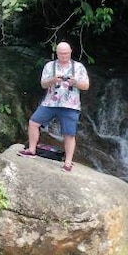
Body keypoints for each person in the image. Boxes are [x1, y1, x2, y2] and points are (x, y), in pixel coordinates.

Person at [18, 41, 90, 172]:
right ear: (57, 53)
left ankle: (68, 163)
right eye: (61, 53)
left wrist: (75, 82)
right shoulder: (49, 66)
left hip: (70, 105)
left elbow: (86, 86)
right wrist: (52, 80)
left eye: (66, 53)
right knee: (34, 122)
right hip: (50, 103)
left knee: (69, 134)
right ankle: (31, 150)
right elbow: (43, 84)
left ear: (70, 52)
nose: (64, 56)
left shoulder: (78, 67)